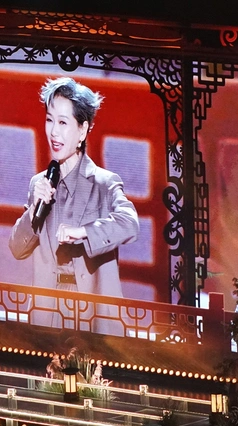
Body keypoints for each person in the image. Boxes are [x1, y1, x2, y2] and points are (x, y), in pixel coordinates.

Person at [8, 77, 139, 328]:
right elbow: (17, 248)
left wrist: (83, 232)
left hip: (93, 317)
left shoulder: (104, 183)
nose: (53, 132)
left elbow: (130, 223)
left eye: (63, 122)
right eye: (49, 120)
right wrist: (34, 208)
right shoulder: (39, 184)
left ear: (82, 129)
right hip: (47, 314)